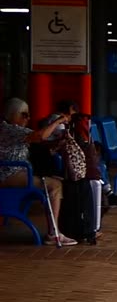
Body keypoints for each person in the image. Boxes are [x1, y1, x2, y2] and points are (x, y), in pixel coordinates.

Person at [1, 98, 76, 246]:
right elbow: (40, 136)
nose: (28, 118)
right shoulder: (10, 129)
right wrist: (58, 121)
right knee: (55, 185)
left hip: (17, 173)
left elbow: (39, 141)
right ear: (13, 114)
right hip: (9, 175)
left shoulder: (9, 129)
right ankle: (53, 234)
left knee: (53, 179)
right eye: (24, 115)